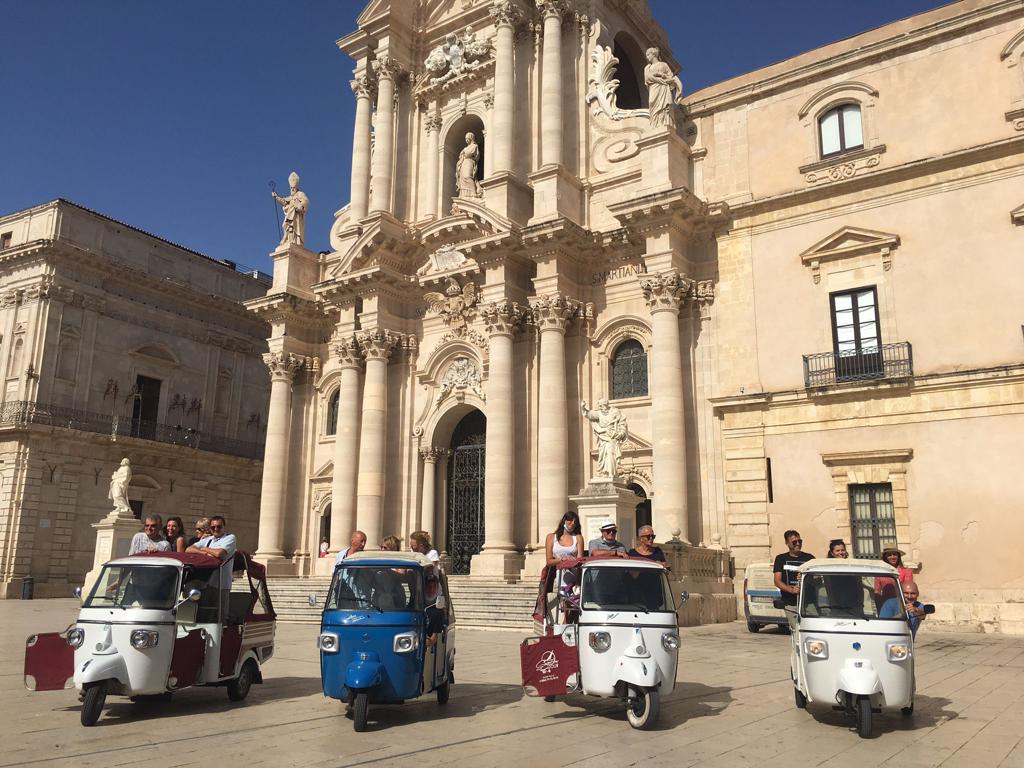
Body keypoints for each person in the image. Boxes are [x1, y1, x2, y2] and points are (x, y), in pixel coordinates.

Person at [186, 515, 237, 615]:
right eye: (213, 527)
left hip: (221, 585)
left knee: (220, 616)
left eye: (219, 526)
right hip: (206, 584)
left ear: (224, 527)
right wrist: (205, 553)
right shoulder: (208, 539)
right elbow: (188, 549)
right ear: (210, 528)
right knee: (204, 615)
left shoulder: (230, 538)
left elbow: (219, 554)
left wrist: (204, 548)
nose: (216, 529)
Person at [581, 399, 628, 479]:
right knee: (602, 456)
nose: (599, 407)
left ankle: (611, 473)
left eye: (601, 405)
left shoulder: (615, 412)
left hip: (612, 437)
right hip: (603, 437)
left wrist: (620, 434)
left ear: (606, 405)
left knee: (610, 453)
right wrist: (583, 407)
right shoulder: (599, 413)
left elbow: (622, 424)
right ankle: (604, 472)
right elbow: (589, 415)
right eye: (599, 406)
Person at [773, 530, 815, 606]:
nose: (798, 544)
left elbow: (816, 578)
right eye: (794, 542)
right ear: (787, 543)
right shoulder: (780, 558)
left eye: (800, 541)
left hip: (808, 603)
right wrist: (791, 590)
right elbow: (777, 581)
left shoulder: (810, 558)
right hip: (789, 603)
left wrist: (806, 578)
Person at [644, 47, 683, 129]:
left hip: (663, 88)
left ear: (653, 54)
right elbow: (647, 78)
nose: (647, 57)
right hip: (654, 88)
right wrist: (657, 78)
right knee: (652, 102)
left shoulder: (664, 65)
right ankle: (654, 123)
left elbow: (670, 77)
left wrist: (662, 75)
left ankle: (663, 123)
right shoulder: (647, 68)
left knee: (664, 106)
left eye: (648, 55)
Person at [271, 171, 309, 246]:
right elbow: (284, 201)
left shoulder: (300, 194)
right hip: (290, 215)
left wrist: (298, 205)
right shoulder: (290, 197)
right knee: (285, 225)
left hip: (296, 218)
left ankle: (292, 240)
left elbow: (306, 202)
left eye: (293, 188)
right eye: (291, 188)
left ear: (296, 187)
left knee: (290, 225)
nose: (292, 189)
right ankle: (288, 239)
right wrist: (276, 197)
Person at [455, 133, 482, 198]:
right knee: (462, 178)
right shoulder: (465, 148)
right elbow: (461, 156)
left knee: (468, 176)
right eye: (466, 139)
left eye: (468, 138)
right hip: (463, 163)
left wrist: (464, 152)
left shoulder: (474, 146)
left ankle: (473, 192)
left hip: (470, 161)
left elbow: (469, 153)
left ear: (471, 138)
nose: (466, 140)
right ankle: (464, 194)